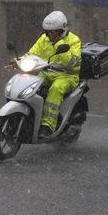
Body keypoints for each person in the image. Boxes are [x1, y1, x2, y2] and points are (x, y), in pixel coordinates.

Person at [24, 10, 82, 139]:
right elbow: (33, 53)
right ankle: (27, 116)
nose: (50, 35)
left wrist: (59, 44)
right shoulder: (44, 39)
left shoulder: (73, 40)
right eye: (47, 32)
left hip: (67, 76)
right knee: (28, 84)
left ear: (62, 30)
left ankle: (47, 126)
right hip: (47, 73)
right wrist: (20, 60)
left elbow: (72, 62)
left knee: (55, 89)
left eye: (53, 32)